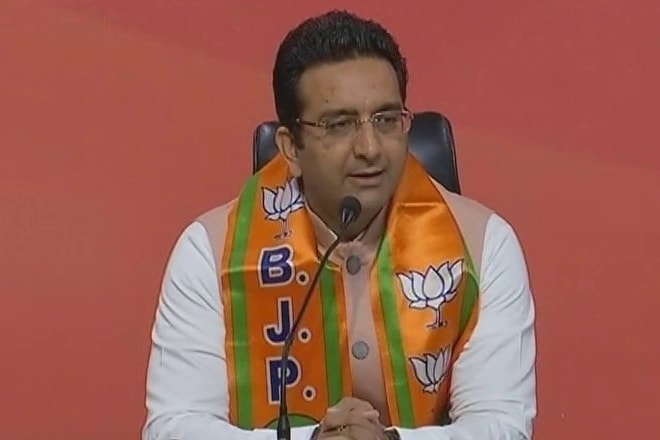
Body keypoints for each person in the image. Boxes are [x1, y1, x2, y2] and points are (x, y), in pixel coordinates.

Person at [141, 9, 537, 440]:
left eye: (386, 119)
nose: (370, 148)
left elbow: (502, 426)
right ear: (291, 148)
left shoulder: (482, 246)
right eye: (340, 125)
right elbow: (174, 428)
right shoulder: (212, 253)